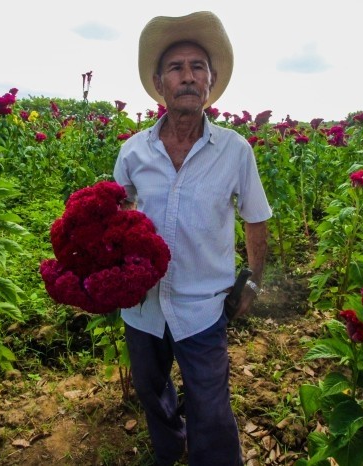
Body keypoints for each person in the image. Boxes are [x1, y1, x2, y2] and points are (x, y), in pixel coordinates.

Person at [113, 11, 271, 465]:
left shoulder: (235, 150)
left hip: (203, 303)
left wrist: (254, 280)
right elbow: (118, 216)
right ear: (160, 82)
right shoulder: (133, 151)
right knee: (151, 389)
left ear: (211, 81)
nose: (188, 77)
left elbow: (255, 219)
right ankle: (171, 447)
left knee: (210, 403)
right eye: (177, 68)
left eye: (197, 67)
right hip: (143, 306)